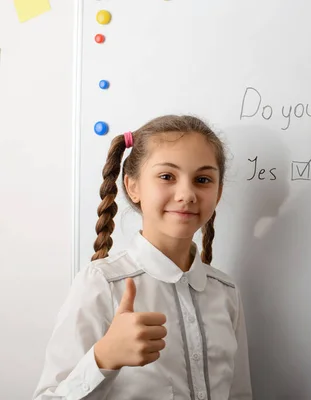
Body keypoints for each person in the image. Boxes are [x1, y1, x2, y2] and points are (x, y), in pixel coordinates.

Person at [33, 115, 253, 399]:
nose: (186, 194)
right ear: (133, 187)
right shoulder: (102, 283)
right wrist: (103, 359)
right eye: (166, 176)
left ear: (218, 192)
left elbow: (240, 394)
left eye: (202, 179)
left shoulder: (226, 292)